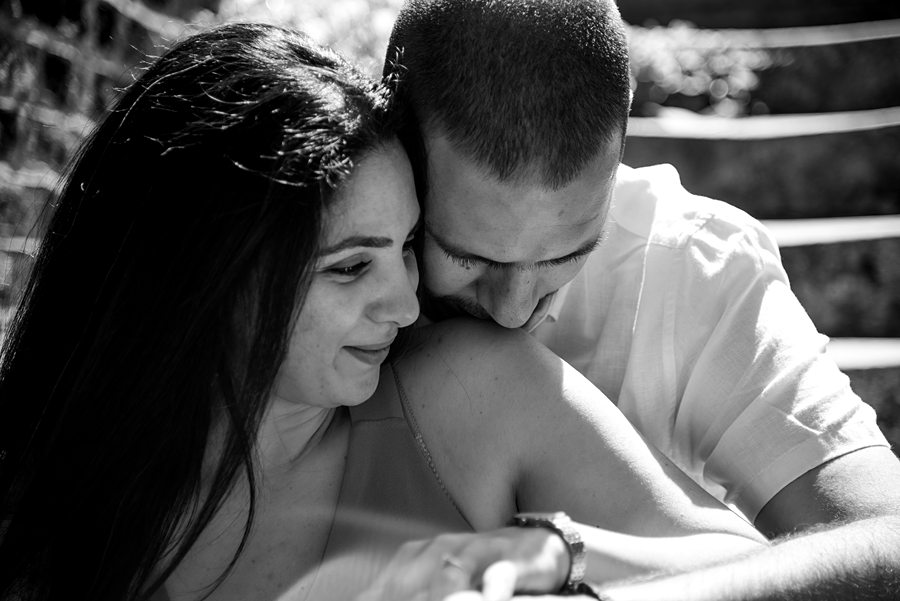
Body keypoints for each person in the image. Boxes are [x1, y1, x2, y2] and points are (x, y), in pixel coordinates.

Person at [0, 20, 768, 601]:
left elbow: (757, 568)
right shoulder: (56, 497)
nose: (406, 305)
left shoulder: (470, 390)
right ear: (204, 276)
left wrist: (544, 555)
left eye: (405, 247)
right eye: (350, 267)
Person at [379, 0, 900, 599]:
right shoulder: (321, 239)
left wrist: (586, 574)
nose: (513, 309)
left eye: (565, 256)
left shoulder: (695, 268)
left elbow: (885, 539)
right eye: (470, 258)